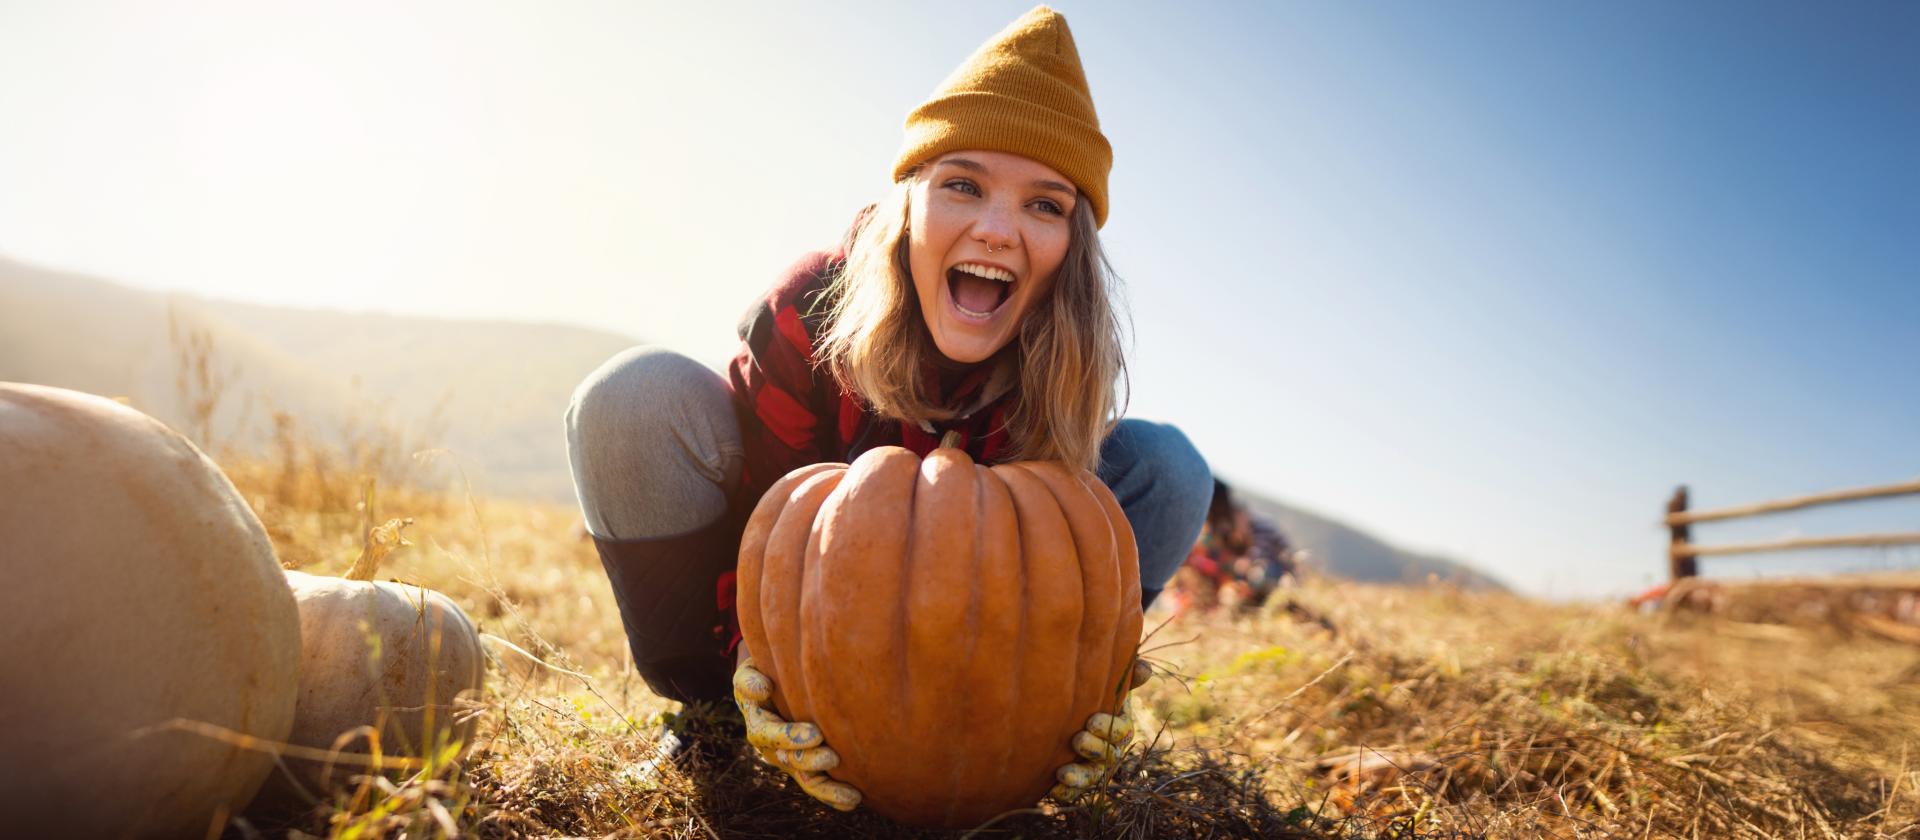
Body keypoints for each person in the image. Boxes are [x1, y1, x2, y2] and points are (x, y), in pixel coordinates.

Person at [564, 6, 1211, 813]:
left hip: (967, 660)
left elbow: (1048, 559)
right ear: (910, 202)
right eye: (963, 186)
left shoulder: (1064, 358)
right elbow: (768, 525)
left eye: (1045, 205)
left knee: (1168, 466)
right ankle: (717, 717)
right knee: (634, 395)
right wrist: (751, 666)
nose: (999, 229)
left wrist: (1089, 670)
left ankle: (1045, 737)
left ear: (1071, 248)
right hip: (789, 618)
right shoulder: (813, 303)